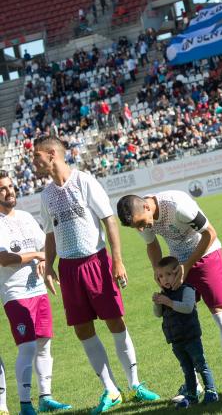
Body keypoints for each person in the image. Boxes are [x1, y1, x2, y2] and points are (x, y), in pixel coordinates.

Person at [32, 136, 159, 414]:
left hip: (96, 261)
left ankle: (135, 384)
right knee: (82, 329)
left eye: (36, 156)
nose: (34, 162)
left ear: (52, 154)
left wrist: (117, 261)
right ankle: (111, 389)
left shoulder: (84, 181)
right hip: (68, 269)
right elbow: (50, 233)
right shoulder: (46, 195)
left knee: (115, 322)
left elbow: (109, 220)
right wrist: (50, 266)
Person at [116, 190, 222, 398]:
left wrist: (189, 264)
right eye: (136, 227)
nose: (141, 228)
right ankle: (193, 384)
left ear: (147, 207)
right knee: (180, 320)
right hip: (178, 265)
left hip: (207, 255)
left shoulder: (178, 206)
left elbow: (210, 233)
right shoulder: (142, 216)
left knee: (220, 314)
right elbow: (152, 245)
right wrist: (158, 272)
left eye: (141, 223)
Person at [0, 171, 72, 415]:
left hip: (38, 289)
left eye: (10, 186)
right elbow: (4, 258)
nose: (9, 191)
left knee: (44, 345)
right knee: (28, 346)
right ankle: (24, 405)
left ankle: (45, 397)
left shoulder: (26, 217)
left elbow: (45, 245)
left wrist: (46, 259)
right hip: (15, 293)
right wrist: (38, 256)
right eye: (2, 188)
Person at [152, 256, 218, 408]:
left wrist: (169, 302)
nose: (165, 279)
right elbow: (158, 314)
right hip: (176, 340)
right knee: (187, 369)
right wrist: (157, 303)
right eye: (161, 276)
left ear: (178, 273)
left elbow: (188, 308)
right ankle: (192, 395)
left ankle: (211, 391)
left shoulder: (187, 289)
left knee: (200, 364)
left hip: (190, 336)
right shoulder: (164, 294)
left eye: (169, 274)